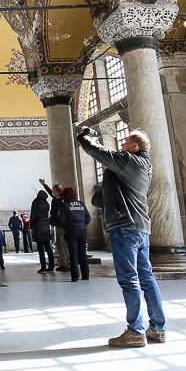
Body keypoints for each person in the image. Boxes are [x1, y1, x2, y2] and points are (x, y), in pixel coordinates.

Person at [77, 126, 167, 347]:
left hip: (124, 227)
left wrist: (84, 138)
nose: (122, 147)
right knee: (147, 278)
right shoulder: (144, 166)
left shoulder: (129, 161)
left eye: (125, 143)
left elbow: (100, 153)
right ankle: (157, 328)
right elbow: (103, 198)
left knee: (129, 280)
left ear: (135, 147)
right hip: (140, 227)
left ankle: (135, 331)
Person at [60, 187, 91, 282]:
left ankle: (75, 276)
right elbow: (88, 218)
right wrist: (82, 224)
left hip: (71, 230)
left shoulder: (65, 205)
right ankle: (85, 275)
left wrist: (67, 227)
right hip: (82, 230)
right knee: (83, 254)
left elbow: (62, 221)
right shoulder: (81, 204)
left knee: (73, 254)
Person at [42, 179, 70, 272]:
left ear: (57, 191)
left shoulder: (63, 199)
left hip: (63, 225)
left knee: (65, 245)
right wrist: (44, 185)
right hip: (58, 224)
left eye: (54, 190)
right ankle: (63, 263)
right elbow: (50, 192)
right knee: (59, 245)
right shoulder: (57, 198)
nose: (52, 192)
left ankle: (68, 264)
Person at [30, 190, 54, 273]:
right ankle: (51, 266)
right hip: (46, 226)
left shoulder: (35, 203)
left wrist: (31, 224)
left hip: (38, 226)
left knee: (41, 249)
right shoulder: (47, 203)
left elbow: (33, 215)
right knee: (48, 248)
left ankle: (43, 267)